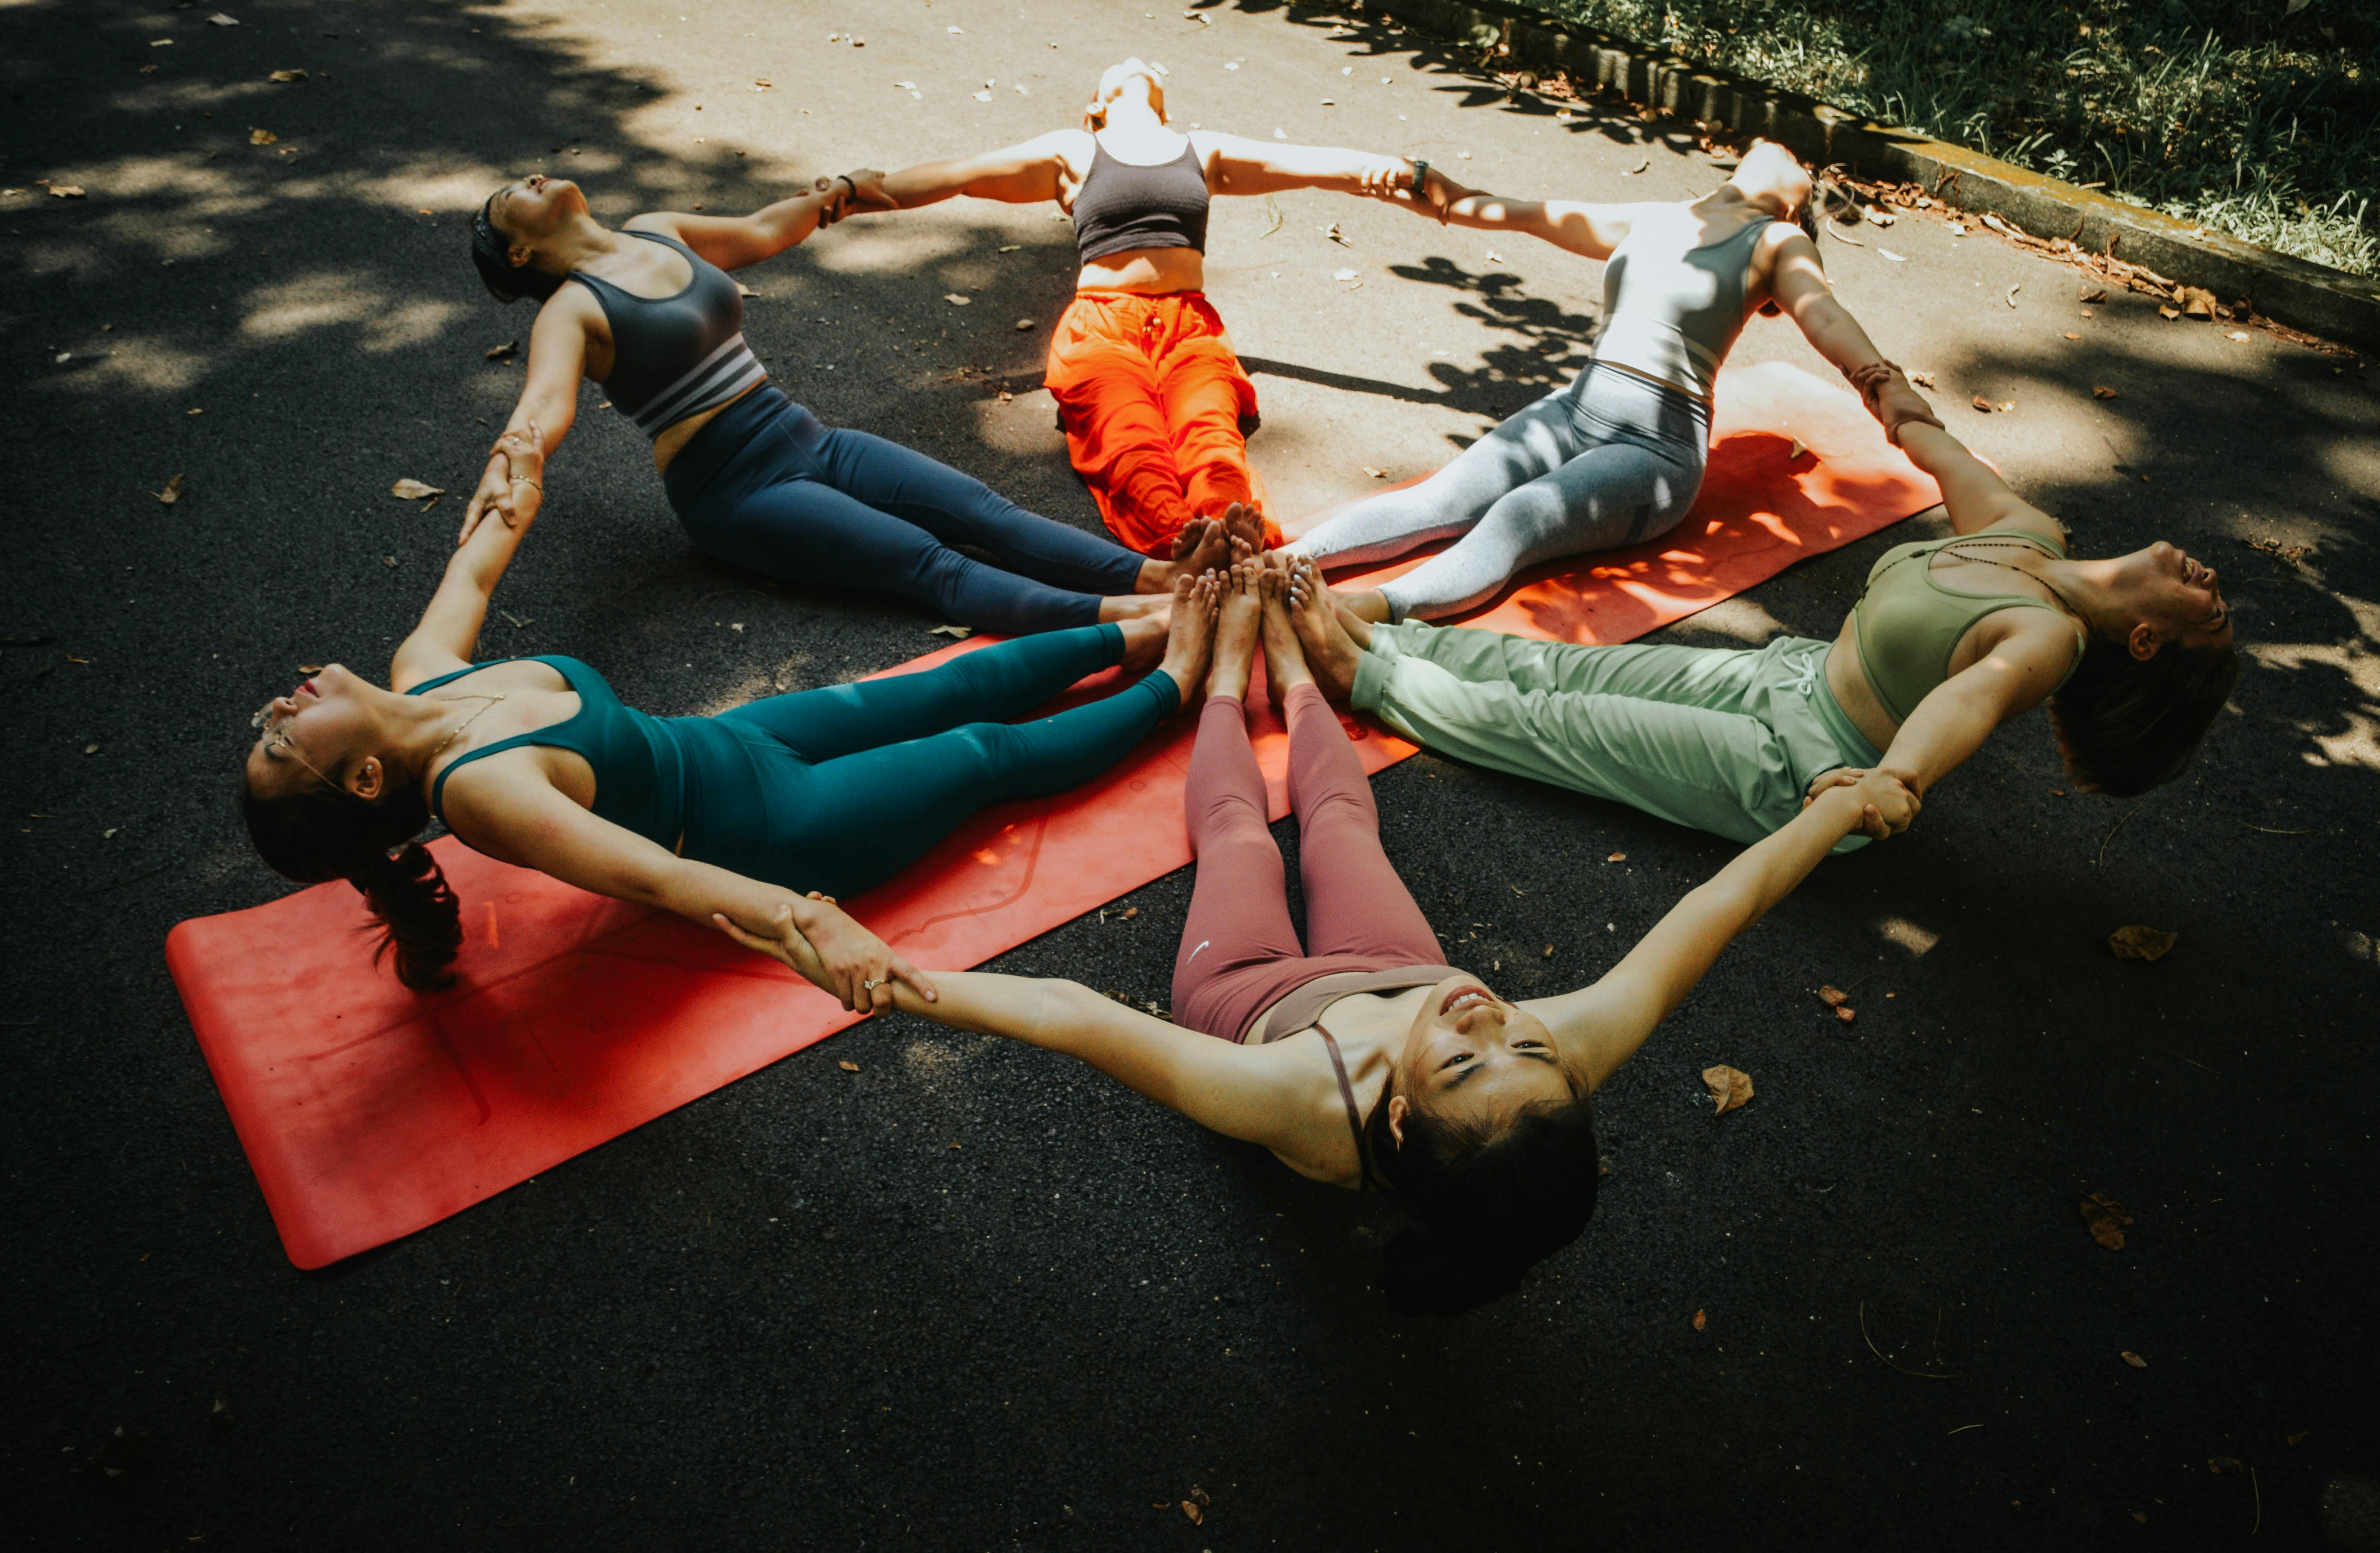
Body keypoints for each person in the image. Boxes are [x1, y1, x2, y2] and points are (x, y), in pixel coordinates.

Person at [716, 561, 1919, 1314]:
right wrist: (1830, 811)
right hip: (1382, 969)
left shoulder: (1298, 1105)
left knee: (1242, 836)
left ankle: (1228, 675)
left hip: (1256, 1001)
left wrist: (898, 980)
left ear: (1399, 1122)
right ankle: (1297, 674)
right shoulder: (1552, 1059)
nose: (1493, 1020)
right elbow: (1715, 911)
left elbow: (1079, 1018)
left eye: (1466, 1061)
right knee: (1343, 816)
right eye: (1527, 1049)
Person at [240, 427, 1221, 999]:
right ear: (365, 779)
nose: (278, 709)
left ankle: (1161, 620)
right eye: (285, 741)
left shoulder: (423, 673)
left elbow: (475, 562)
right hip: (773, 830)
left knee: (954, 682)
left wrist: (517, 474)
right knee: (980, 751)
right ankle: (1176, 677)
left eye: (269, 727)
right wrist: (808, 922)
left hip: (739, 740)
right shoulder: (486, 793)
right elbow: (666, 879)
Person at [1279, 401, 2239, 854]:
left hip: (1812, 772)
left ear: (2149, 642)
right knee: (1568, 674)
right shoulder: (2032, 534)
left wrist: (1896, 781)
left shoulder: (2050, 641)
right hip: (1789, 676)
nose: (2213, 581)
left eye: (2214, 612)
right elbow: (1940, 445)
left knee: (1560, 731)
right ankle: (1386, 641)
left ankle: (1363, 674)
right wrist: (1877, 383)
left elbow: (1974, 697)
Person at [464, 171, 1231, 634]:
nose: (529, 180)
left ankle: (1155, 578)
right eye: (510, 198)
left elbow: (763, 230)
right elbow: (543, 405)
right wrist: (517, 457)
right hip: (734, 489)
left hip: (807, 437)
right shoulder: (567, 311)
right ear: (521, 254)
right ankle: (1143, 621)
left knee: (982, 513)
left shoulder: (657, 232)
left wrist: (837, 197)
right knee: (929, 566)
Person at [1288, 140, 1940, 623]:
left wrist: (1883, 386)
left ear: (1799, 203)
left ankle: (1368, 611)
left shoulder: (1777, 243)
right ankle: (1278, 568)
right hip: (1575, 411)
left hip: (1655, 454)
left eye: (1803, 162)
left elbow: (1823, 312)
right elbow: (1533, 215)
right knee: (1442, 498)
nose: (1788, 149)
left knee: (1517, 517)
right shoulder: (1661, 215)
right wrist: (1442, 193)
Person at [859, 58, 1453, 557]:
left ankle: (1231, 537)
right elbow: (959, 176)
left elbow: (1314, 166)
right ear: (1099, 104)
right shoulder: (1075, 149)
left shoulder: (1201, 149)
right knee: (1130, 441)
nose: (1138, 62)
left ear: (1164, 107)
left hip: (1188, 325)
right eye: (1120, 69)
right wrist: (859, 191)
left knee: (1211, 438)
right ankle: (1183, 543)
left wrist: (1402, 170)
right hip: (1102, 326)